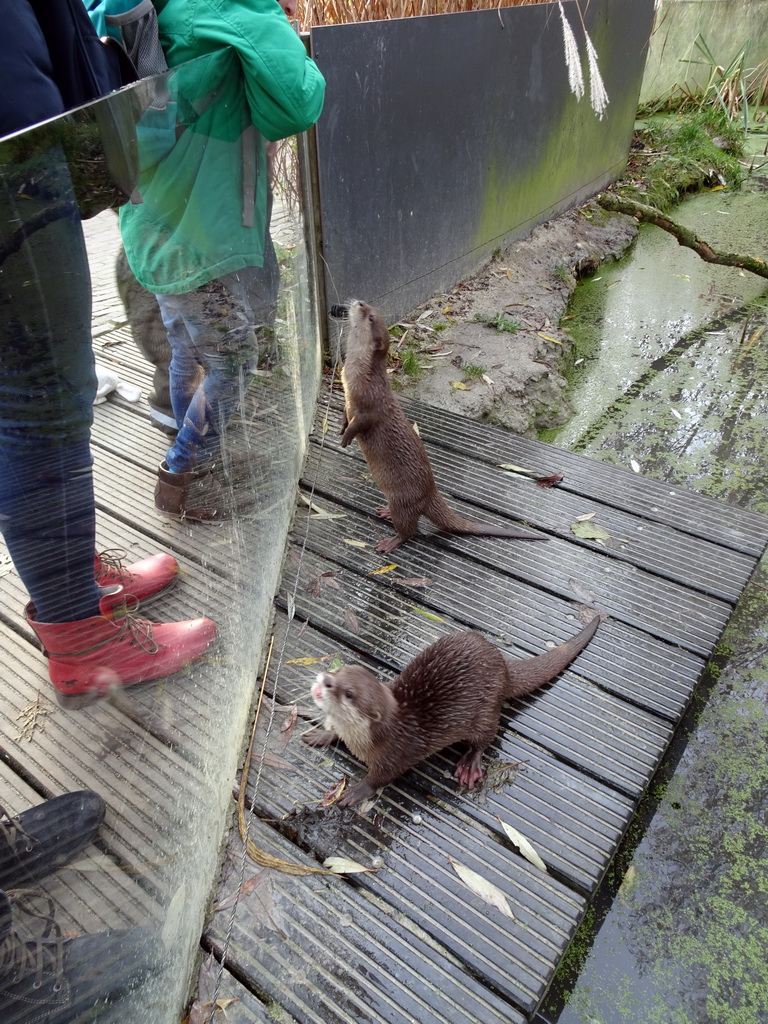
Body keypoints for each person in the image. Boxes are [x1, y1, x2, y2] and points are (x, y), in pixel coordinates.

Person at [0, 0, 216, 709]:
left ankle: (73, 582)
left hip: (23, 132)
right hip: (11, 151)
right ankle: (81, 641)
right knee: (41, 402)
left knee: (34, 394)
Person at [112, 0, 326, 520]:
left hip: (155, 225)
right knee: (233, 359)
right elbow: (297, 103)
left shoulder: (168, 10)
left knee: (190, 350)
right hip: (198, 237)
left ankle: (199, 460)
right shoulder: (227, 7)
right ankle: (185, 475)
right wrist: (274, 17)